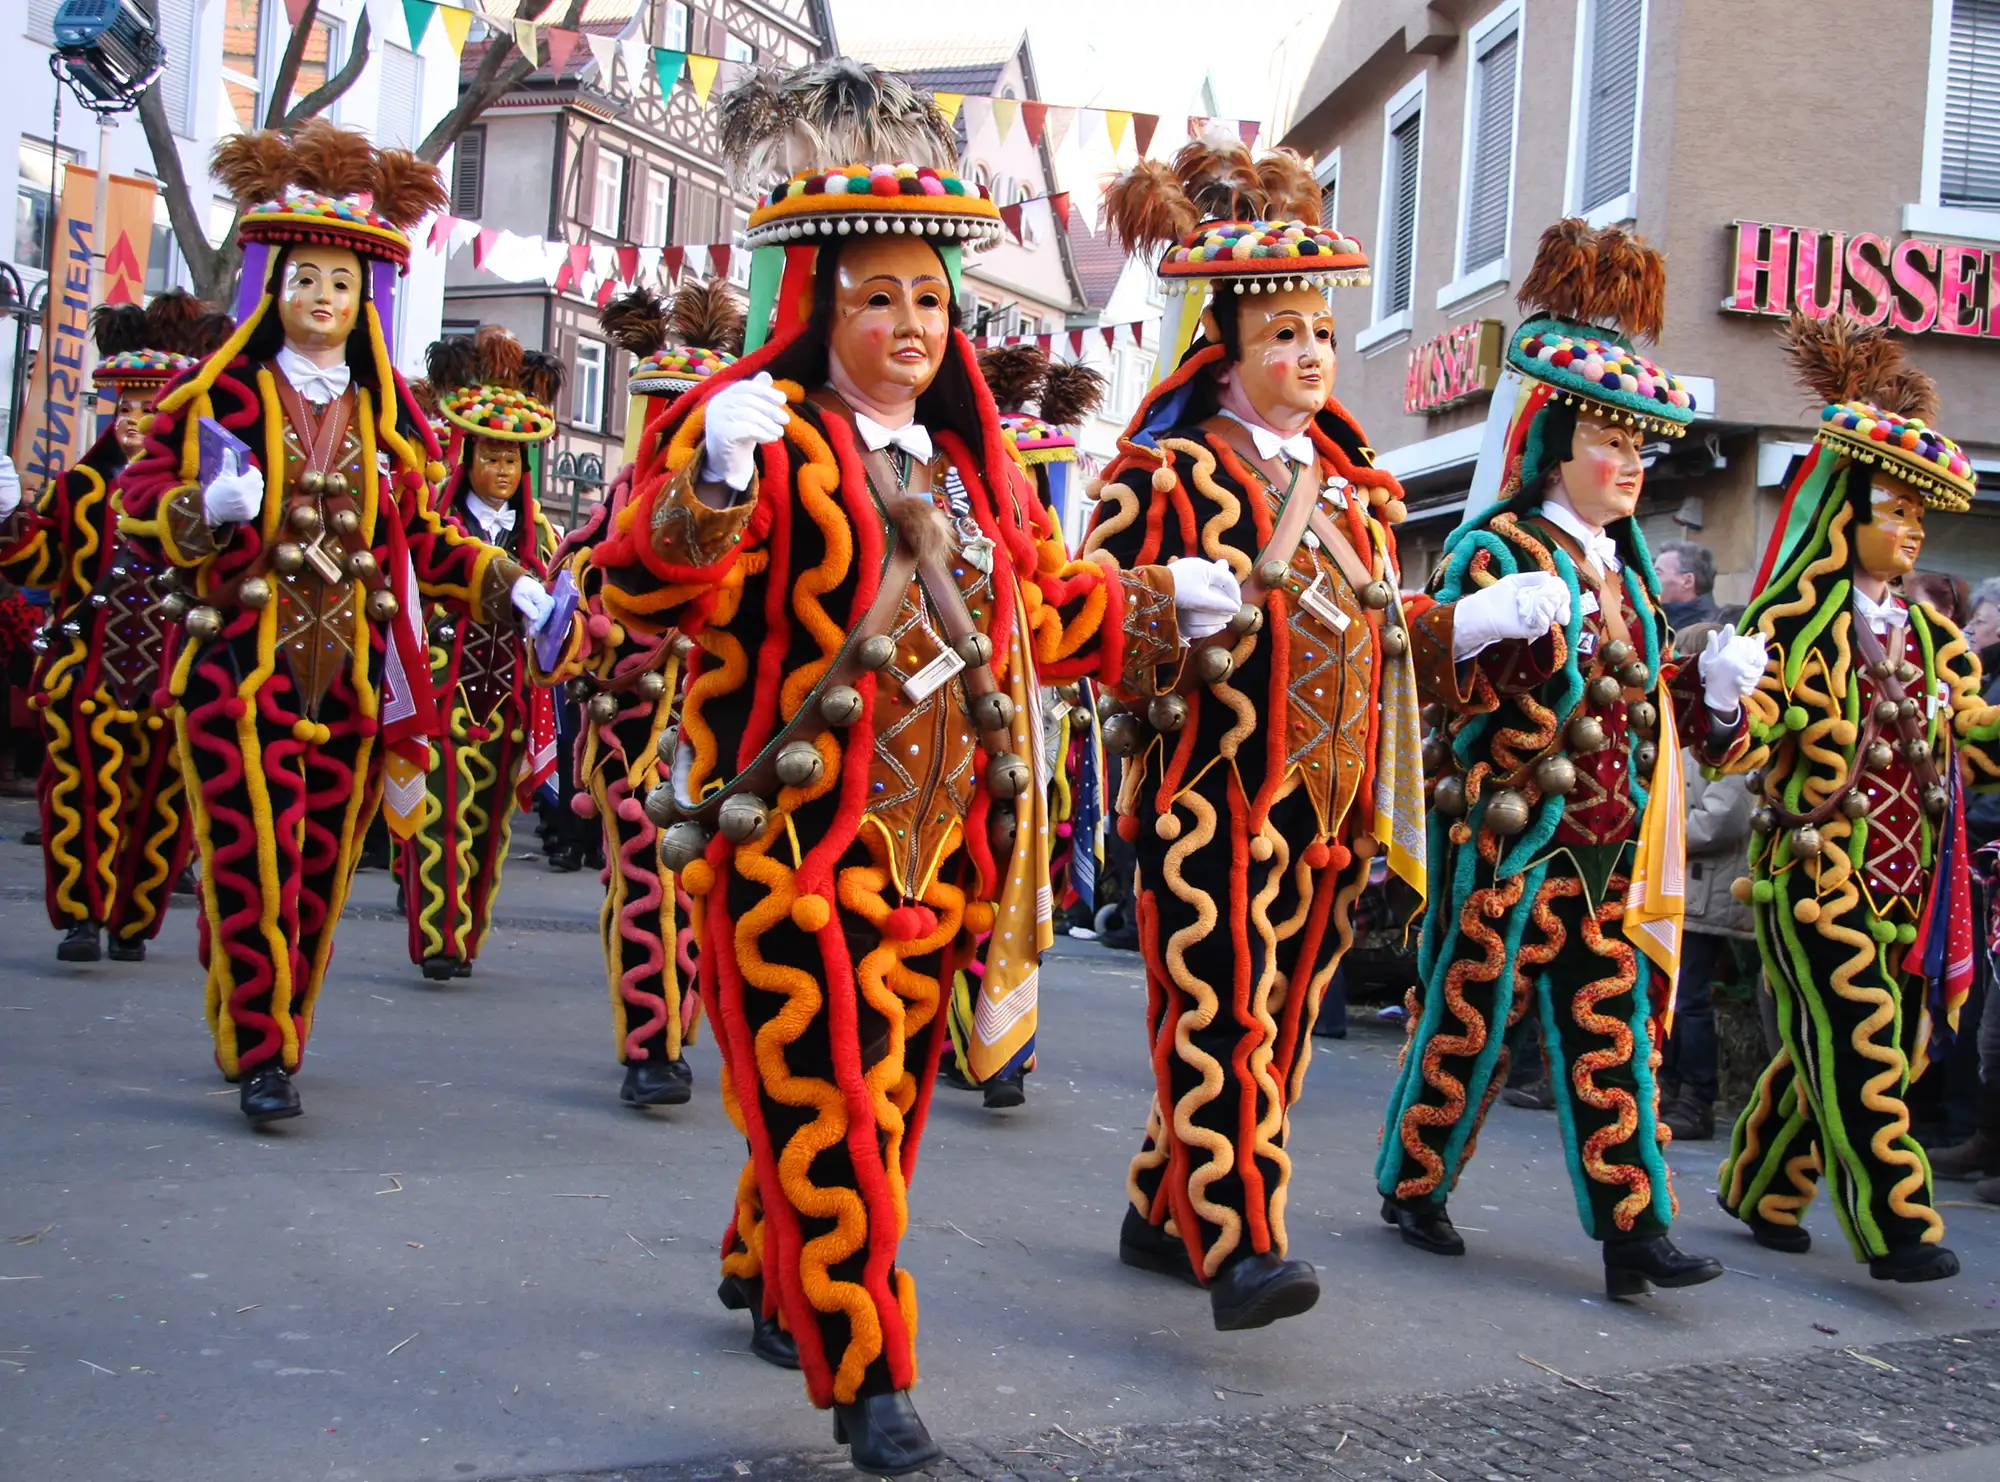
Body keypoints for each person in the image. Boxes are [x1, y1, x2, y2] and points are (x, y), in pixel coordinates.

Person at [587, 61, 1200, 1475]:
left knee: (879, 1109)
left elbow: (1045, 619)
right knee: (831, 1101)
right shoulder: (772, 443)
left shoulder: (977, 480)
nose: (911, 322)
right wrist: (707, 492)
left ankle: (768, 1264)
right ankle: (870, 1376)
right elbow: (645, 592)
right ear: (820, 308)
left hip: (945, 856)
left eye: (931, 298)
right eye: (878, 296)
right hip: (791, 849)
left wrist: (1168, 601)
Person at [118, 121, 556, 1127]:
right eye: (307, 279)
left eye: (342, 286)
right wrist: (198, 511)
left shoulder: (389, 420)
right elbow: (136, 509)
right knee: (246, 859)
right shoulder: (217, 397)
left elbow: (426, 546)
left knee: (314, 874)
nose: (324, 299)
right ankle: (266, 1055)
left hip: (354, 684)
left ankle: (272, 1025)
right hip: (239, 671)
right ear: (274, 286)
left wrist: (507, 582)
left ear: (367, 302)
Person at [1375, 220, 1763, 1300]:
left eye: (1641, 449)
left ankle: (1632, 1230)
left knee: (1614, 1035)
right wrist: (1483, 626)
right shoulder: (1494, 547)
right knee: (1471, 1020)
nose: (1631, 465)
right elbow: (1429, 671)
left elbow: (1651, 714)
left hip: (1609, 848)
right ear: (1553, 445)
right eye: (1611, 443)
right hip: (1509, 833)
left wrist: (1711, 691)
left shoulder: (1632, 576)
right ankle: (1412, 1183)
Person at [1087, 134, 1431, 1331]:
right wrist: (1160, 601)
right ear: (1225, 350)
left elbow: (1389, 645)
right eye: (1281, 333)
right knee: (1222, 1015)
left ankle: (1155, 1208)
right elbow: (1086, 617)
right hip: (1210, 794)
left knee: (1276, 1024)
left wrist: (1471, 630)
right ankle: (1241, 1245)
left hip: (1327, 810)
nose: (1308, 355)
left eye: (1320, 334)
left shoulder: (1358, 499)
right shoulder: (1168, 469)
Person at [1716, 312, 2000, 1282]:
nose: (1911, 533)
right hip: (1809, 873)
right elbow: (1740, 739)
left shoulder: (1932, 641)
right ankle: (1901, 1229)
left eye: (1920, 520)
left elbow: (1971, 739)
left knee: (1849, 1052)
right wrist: (1723, 693)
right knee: (1857, 1040)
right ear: (1846, 514)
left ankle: (1757, 1186)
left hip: (1907, 889)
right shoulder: (1794, 623)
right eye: (1893, 512)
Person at [537, 279, 745, 1108]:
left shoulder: (749, 513)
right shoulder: (601, 531)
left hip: (729, 736)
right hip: (629, 738)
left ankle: (689, 1027)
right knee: (649, 879)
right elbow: (566, 635)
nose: (672, 437)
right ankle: (651, 1043)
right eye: (661, 417)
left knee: (716, 892)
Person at [0, 292, 230, 962]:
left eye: (148, 410)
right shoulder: (79, 488)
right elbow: (36, 563)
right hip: (88, 673)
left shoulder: (198, 499)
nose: (133, 422)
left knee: (159, 808)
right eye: (125, 409)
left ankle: (134, 918)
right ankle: (81, 916)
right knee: (79, 795)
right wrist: (10, 518)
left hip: (169, 676)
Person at [939, 346, 1111, 1111]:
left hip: (1033, 741)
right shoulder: (945, 522)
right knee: (959, 886)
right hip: (950, 733)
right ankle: (960, 1040)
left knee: (1015, 883)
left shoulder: (1037, 551)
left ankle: (1003, 1051)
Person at [399, 327, 563, 981]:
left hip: (508, 698)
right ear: (466, 456)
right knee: (439, 816)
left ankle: (467, 932)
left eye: (512, 460)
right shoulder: (437, 528)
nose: (501, 471)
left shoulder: (540, 533)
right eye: (491, 457)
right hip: (443, 692)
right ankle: (438, 935)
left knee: (488, 824)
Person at [1660, 621, 1758, 1142]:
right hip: (1685, 882)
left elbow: (1722, 818)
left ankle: (1696, 1098)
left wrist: (1658, 833)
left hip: (1704, 885)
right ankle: (1672, 1087)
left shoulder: (1729, 737)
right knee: (1677, 994)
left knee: (1691, 997)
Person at [1655, 540, 1718, 630]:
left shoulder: (1702, 636)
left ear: (1687, 582)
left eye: (1657, 573)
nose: (1650, 578)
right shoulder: (1658, 618)